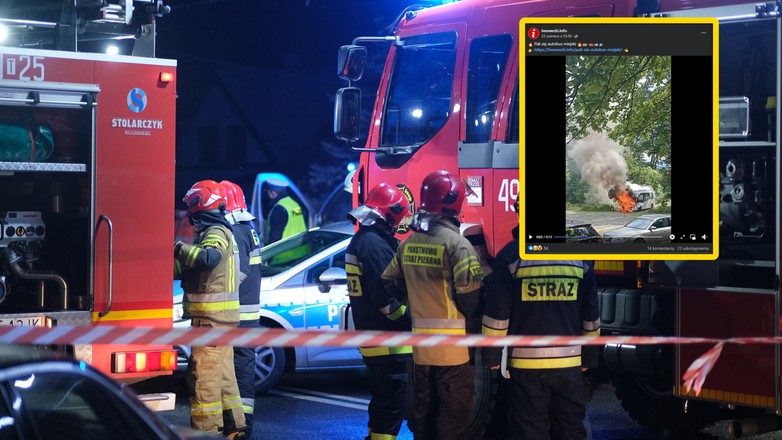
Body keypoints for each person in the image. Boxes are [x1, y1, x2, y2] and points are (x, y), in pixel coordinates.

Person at [481, 199, 600, 440]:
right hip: (569, 366)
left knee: (528, 430)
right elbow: (591, 315)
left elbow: (497, 315)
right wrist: (589, 357)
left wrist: (492, 358)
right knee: (570, 430)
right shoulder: (579, 257)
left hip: (527, 368)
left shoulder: (511, 255)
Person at [382, 170, 485, 440]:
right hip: (454, 352)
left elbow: (389, 284)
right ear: (454, 203)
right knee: (454, 414)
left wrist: (410, 308)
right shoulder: (458, 245)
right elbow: (470, 297)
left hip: (421, 350)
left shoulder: (409, 244)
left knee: (423, 415)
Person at [174, 179, 246, 439]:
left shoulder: (215, 231)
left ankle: (205, 433)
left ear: (198, 204)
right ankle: (233, 428)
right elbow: (201, 268)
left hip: (211, 320)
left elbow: (207, 259)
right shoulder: (222, 230)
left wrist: (178, 248)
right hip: (220, 320)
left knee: (203, 379)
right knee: (223, 376)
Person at [346, 182, 413, 440]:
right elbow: (385, 297)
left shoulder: (363, 240)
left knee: (382, 401)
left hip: (373, 335)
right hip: (388, 340)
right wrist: (409, 322)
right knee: (392, 404)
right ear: (388, 214)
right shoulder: (374, 245)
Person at [220, 180, 262, 437]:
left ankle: (241, 424)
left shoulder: (235, 230)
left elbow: (239, 272)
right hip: (248, 309)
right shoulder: (248, 227)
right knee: (242, 364)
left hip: (238, 310)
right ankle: (242, 422)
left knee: (239, 366)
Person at [262, 177, 307, 245]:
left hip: (285, 253)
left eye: (268, 191)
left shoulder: (279, 209)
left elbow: (275, 238)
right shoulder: (294, 204)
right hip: (302, 249)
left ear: (273, 193)